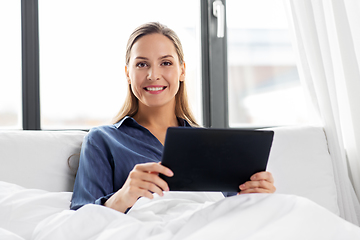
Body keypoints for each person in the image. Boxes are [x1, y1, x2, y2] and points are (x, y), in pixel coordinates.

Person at [70, 22, 276, 213]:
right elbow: (81, 220)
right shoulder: (103, 140)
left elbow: (234, 212)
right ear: (127, 74)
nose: (153, 75)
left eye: (166, 63)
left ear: (182, 70)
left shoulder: (211, 144)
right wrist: (124, 195)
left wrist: (256, 196)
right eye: (142, 64)